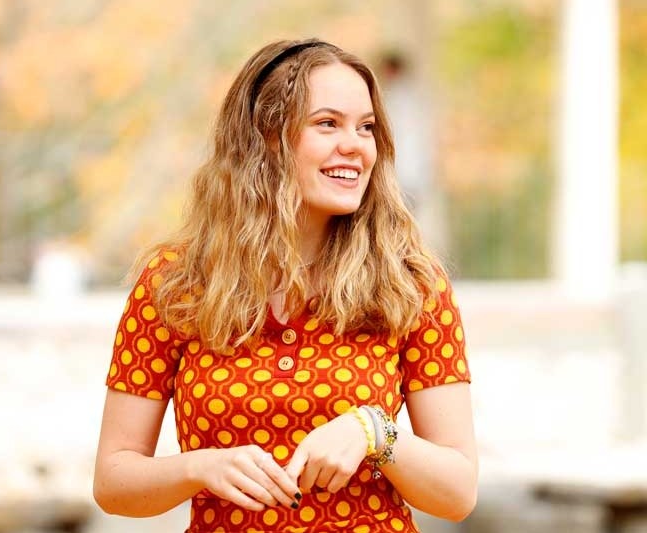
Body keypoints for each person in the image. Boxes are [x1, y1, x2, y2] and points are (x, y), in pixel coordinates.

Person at [93, 38, 477, 533]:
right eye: (327, 123)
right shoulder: (175, 283)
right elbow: (113, 479)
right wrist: (199, 467)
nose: (356, 145)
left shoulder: (410, 282)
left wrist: (375, 432)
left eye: (366, 128)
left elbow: (458, 493)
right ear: (266, 137)